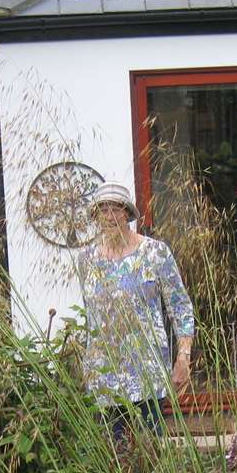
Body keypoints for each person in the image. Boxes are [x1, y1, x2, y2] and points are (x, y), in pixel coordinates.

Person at [74, 181, 196, 440]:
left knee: (151, 451)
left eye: (116, 209)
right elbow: (90, 317)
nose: (109, 216)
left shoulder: (155, 253)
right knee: (112, 457)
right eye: (102, 210)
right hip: (104, 375)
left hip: (147, 372)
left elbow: (180, 305)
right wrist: (86, 367)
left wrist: (183, 357)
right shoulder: (87, 260)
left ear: (128, 213)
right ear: (96, 216)